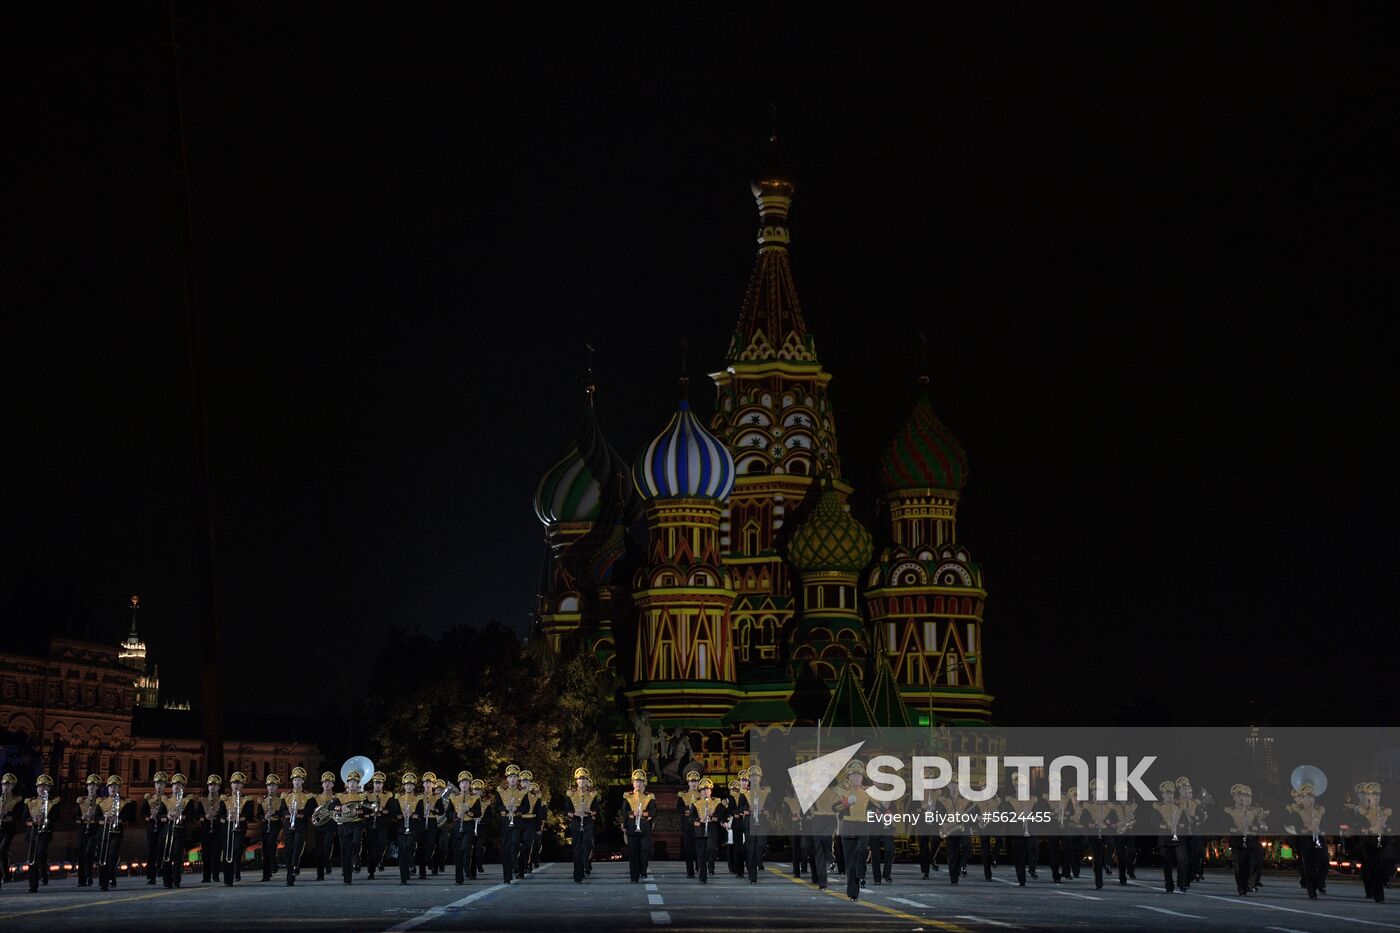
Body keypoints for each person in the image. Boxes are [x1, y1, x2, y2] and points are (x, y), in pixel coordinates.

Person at [1346, 780, 1395, 904]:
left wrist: (1387, 828)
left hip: (1383, 841)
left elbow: (1392, 824)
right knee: (1371, 868)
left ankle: (1383, 880)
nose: (1375, 798)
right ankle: (1376, 894)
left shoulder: (1385, 811)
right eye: (1372, 795)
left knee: (1388, 861)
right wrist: (1366, 830)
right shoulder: (1362, 812)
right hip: (1368, 843)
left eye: (1377, 795)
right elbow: (1357, 827)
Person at [835, 760, 872, 900]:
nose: (856, 778)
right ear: (848, 778)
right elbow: (835, 808)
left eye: (858, 776)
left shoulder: (869, 793)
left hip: (863, 826)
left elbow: (877, 808)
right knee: (850, 862)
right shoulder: (843, 792)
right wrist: (846, 803)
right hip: (848, 827)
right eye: (853, 776)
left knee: (862, 850)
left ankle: (861, 874)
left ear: (862, 778)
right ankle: (852, 893)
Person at [1224, 782, 1267, 896]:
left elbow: (1262, 826)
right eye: (1241, 796)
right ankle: (1241, 887)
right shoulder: (1229, 811)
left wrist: (1254, 827)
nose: (1244, 799)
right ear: (1235, 798)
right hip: (1238, 841)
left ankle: (1250, 883)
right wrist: (1235, 829)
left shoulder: (1255, 811)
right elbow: (1226, 825)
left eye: (1247, 796)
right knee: (1240, 866)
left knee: (1256, 861)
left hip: (1252, 840)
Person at [1285, 781, 1327, 899]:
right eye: (1307, 797)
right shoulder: (1297, 812)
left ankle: (1320, 881)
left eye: (1311, 797)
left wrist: (1321, 830)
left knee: (1324, 860)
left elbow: (1325, 824)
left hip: (1318, 838)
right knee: (1308, 866)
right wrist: (1306, 829)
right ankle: (1311, 890)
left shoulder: (1320, 810)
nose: (1310, 800)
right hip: (1305, 840)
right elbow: (1295, 827)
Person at [331, 770, 368, 884]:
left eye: (355, 782)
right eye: (350, 782)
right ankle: (347, 878)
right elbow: (331, 806)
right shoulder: (340, 796)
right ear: (347, 783)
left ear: (358, 784)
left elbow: (368, 809)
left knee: (356, 842)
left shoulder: (362, 796)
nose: (352, 784)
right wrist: (340, 808)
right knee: (345, 851)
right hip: (345, 825)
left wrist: (357, 811)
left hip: (357, 824)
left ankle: (356, 858)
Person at [23, 773, 58, 892]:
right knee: (31, 859)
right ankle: (32, 886)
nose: (42, 789)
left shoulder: (53, 802)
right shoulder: (30, 802)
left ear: (49, 789)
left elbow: (56, 818)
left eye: (45, 787)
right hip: (32, 832)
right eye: (40, 786)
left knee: (39, 854)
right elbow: (25, 818)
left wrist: (45, 819)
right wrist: (33, 820)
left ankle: (43, 871)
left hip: (45, 832)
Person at [688, 778, 726, 884]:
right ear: (700, 791)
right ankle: (702, 878)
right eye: (703, 790)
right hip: (700, 830)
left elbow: (721, 816)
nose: (706, 791)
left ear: (711, 791)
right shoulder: (695, 803)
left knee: (711, 849)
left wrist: (712, 816)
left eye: (708, 789)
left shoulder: (717, 802)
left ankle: (711, 866)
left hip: (711, 829)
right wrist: (699, 820)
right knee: (701, 855)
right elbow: (690, 818)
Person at [389, 773, 424, 885]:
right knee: (402, 850)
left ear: (414, 786)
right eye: (407, 784)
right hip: (401, 828)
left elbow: (421, 814)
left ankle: (411, 864)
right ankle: (403, 877)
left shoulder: (418, 799)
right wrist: (402, 815)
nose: (409, 786)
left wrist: (411, 814)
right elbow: (393, 814)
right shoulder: (398, 798)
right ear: (404, 786)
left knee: (409, 846)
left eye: (411, 784)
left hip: (413, 828)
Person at [1153, 779, 1188, 893]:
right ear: (1162, 794)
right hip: (1165, 838)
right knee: (1167, 863)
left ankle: (1182, 882)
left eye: (1171, 793)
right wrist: (1166, 825)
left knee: (1183, 859)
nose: (1169, 796)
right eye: (1167, 793)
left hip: (1178, 837)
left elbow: (1186, 822)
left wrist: (1179, 825)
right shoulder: (1157, 807)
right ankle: (1169, 884)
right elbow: (1153, 823)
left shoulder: (1180, 807)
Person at [564, 767, 598, 884]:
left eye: (583, 779)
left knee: (587, 844)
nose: (581, 782)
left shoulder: (592, 793)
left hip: (587, 821)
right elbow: (566, 810)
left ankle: (585, 865)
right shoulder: (571, 793)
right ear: (576, 781)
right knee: (577, 849)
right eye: (579, 779)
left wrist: (588, 811)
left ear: (587, 780)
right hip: (576, 821)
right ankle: (577, 874)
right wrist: (574, 814)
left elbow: (596, 810)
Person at [96, 775, 130, 892]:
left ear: (119, 788)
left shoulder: (124, 802)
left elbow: (128, 817)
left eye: (115, 786)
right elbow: (96, 818)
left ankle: (111, 877)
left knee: (111, 855)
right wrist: (105, 817)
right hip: (103, 832)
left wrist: (117, 818)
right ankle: (102, 882)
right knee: (102, 857)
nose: (113, 789)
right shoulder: (101, 802)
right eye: (111, 787)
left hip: (116, 832)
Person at [220, 771, 254, 886]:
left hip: (239, 829)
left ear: (242, 785)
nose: (236, 785)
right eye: (234, 783)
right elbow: (220, 815)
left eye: (238, 783)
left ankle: (236, 871)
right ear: (230, 785)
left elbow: (250, 815)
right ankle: (227, 878)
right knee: (227, 852)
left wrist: (239, 817)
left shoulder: (247, 799)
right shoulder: (225, 798)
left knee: (237, 849)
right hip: (227, 828)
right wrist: (227, 817)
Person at [622, 769, 655, 883]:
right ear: (633, 783)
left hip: (645, 827)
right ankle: (634, 877)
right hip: (632, 827)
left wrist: (643, 813)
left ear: (644, 783)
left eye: (640, 782)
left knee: (645, 850)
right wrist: (633, 813)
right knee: (633, 852)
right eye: (636, 781)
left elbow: (653, 812)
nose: (638, 784)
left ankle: (643, 869)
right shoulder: (628, 796)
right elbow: (624, 812)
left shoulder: (649, 796)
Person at [161, 773, 193, 888]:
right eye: (174, 784)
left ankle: (176, 880)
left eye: (179, 785)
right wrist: (167, 816)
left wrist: (181, 815)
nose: (176, 787)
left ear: (183, 787)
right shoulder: (166, 799)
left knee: (177, 856)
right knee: (167, 856)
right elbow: (160, 815)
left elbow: (191, 816)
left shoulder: (187, 800)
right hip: (168, 831)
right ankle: (167, 881)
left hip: (180, 831)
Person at [282, 767, 313, 886]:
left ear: (303, 781)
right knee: (288, 850)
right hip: (289, 824)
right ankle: (290, 877)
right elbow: (281, 810)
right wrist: (287, 811)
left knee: (298, 846)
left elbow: (310, 810)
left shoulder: (308, 795)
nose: (297, 782)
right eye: (295, 780)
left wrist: (300, 812)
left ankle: (295, 864)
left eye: (299, 780)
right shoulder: (286, 795)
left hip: (301, 824)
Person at [452, 771, 484, 884]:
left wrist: (469, 812)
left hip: (469, 827)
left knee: (464, 848)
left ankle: (468, 870)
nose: (464, 785)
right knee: (457, 853)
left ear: (469, 785)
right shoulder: (453, 797)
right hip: (457, 827)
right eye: (462, 783)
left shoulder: (475, 798)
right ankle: (458, 879)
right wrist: (456, 815)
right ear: (459, 784)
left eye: (466, 782)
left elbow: (478, 813)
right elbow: (447, 813)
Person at [495, 765, 525, 883]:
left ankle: (516, 865)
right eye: (510, 777)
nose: (512, 779)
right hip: (505, 821)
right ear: (507, 779)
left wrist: (517, 809)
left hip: (517, 821)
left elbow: (526, 807)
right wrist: (505, 808)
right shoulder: (501, 791)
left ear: (518, 779)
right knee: (505, 849)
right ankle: (507, 877)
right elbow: (497, 806)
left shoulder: (523, 792)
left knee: (514, 843)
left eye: (515, 777)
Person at [940, 781, 973, 885]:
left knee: (967, 846)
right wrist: (945, 824)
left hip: (963, 828)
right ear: (948, 786)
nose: (954, 787)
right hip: (950, 829)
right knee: (952, 855)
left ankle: (961, 864)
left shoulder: (966, 800)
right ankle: (954, 880)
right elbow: (939, 813)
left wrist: (966, 816)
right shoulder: (942, 800)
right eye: (952, 784)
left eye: (956, 784)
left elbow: (973, 813)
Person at [743, 764, 772, 883]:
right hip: (749, 821)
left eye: (757, 777)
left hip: (762, 821)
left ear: (760, 778)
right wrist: (745, 810)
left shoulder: (766, 792)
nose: (754, 779)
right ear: (749, 779)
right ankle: (752, 874)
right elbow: (739, 807)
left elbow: (772, 805)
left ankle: (758, 861)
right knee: (750, 848)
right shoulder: (744, 793)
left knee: (761, 844)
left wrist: (766, 810)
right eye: (752, 777)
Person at [142, 771, 170, 885]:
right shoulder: (148, 798)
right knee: (151, 852)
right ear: (154, 785)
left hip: (163, 827)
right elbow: (142, 813)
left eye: (162, 784)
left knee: (161, 851)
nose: (159, 786)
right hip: (151, 827)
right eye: (157, 784)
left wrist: (161, 817)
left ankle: (162, 872)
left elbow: (169, 814)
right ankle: (150, 876)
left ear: (165, 786)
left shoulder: (168, 799)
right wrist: (149, 817)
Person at [363, 770, 391, 880]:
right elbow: (363, 808)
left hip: (382, 824)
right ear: (373, 784)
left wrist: (382, 810)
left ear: (382, 784)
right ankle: (371, 871)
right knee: (371, 847)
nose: (378, 785)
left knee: (381, 844)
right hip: (370, 824)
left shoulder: (388, 796)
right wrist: (371, 810)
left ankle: (379, 860)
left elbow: (391, 810)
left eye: (379, 783)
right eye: (376, 783)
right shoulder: (367, 795)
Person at [515, 770, 544, 878]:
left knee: (527, 847)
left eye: (527, 782)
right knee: (516, 846)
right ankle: (517, 868)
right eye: (523, 782)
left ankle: (524, 866)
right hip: (518, 822)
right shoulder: (516, 794)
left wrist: (538, 827)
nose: (525, 784)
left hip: (530, 823)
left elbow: (539, 812)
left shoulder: (535, 796)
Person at [75, 774, 102, 887]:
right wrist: (82, 818)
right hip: (83, 829)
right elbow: (74, 817)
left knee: (89, 852)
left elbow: (102, 817)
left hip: (94, 830)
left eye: (94, 786)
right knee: (81, 854)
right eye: (90, 785)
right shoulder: (81, 801)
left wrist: (94, 818)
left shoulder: (100, 801)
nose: (91, 788)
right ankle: (81, 879)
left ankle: (89, 876)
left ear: (97, 788)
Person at [1110, 780, 1138, 885]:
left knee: (1132, 852)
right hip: (1118, 833)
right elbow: (1110, 819)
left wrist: (1134, 820)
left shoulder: (1131, 805)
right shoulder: (1113, 806)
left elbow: (1137, 818)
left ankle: (1130, 870)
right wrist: (1115, 824)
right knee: (1120, 856)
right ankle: (1122, 877)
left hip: (1130, 831)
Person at [312, 771, 338, 881]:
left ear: (332, 784)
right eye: (325, 782)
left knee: (327, 846)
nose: (327, 784)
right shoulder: (316, 798)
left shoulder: (337, 798)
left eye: (329, 782)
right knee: (319, 851)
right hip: (319, 827)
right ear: (322, 784)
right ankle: (320, 875)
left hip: (331, 826)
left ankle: (328, 862)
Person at [199, 774, 223, 883]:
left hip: (218, 830)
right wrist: (204, 817)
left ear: (218, 787)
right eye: (210, 785)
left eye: (215, 785)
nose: (212, 787)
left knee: (216, 853)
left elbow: (224, 814)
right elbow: (197, 814)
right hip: (206, 829)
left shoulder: (223, 800)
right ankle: (206, 876)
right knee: (206, 854)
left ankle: (216, 875)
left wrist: (217, 817)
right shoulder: (202, 800)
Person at [677, 770, 701, 878]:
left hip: (699, 824)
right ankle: (690, 871)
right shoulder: (683, 795)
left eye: (695, 781)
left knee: (699, 848)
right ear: (688, 783)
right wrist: (690, 810)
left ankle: (699, 867)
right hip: (687, 825)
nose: (694, 783)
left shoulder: (702, 794)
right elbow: (679, 809)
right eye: (692, 781)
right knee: (688, 849)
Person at [0, 774, 22, 891]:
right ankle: (4, 874)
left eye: (8, 785)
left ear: (12, 786)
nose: (5, 787)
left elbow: (19, 815)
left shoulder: (16, 799)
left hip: (9, 828)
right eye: (4, 784)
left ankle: (6, 875)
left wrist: (7, 814)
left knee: (2, 849)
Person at [259, 773, 283, 882]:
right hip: (265, 825)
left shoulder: (281, 799)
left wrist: (275, 812)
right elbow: (257, 815)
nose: (271, 788)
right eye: (269, 785)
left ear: (277, 787)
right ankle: (266, 874)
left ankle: (274, 863)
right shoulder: (262, 799)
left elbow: (283, 813)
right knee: (265, 849)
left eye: (273, 785)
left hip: (275, 824)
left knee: (271, 843)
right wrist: (264, 816)